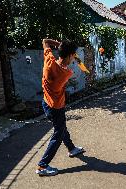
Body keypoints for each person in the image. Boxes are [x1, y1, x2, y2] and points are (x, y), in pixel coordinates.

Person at [36, 39, 85, 176]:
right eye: (73, 55)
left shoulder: (50, 61)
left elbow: (45, 41)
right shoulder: (66, 73)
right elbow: (66, 65)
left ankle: (71, 148)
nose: (74, 57)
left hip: (46, 103)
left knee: (62, 127)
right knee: (58, 133)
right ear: (70, 55)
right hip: (56, 107)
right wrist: (63, 48)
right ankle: (42, 166)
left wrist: (61, 47)